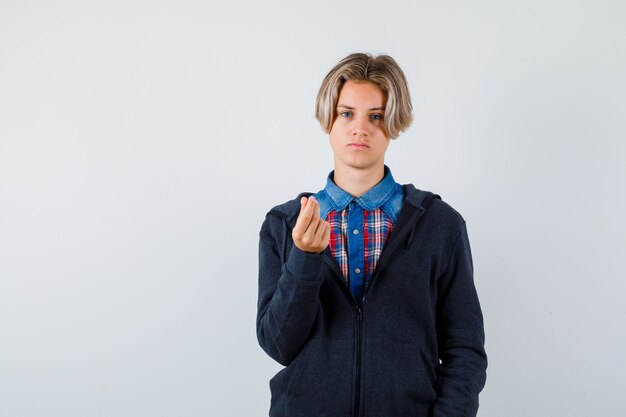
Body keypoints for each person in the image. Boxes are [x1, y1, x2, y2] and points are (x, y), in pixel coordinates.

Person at [256, 52, 487, 417]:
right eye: (346, 113)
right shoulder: (284, 225)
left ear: (394, 123)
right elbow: (278, 345)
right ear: (328, 119)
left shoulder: (440, 225)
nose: (359, 128)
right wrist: (304, 257)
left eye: (375, 116)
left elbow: (465, 350)